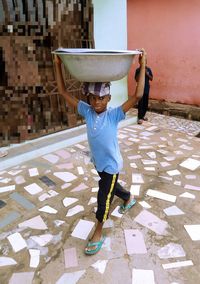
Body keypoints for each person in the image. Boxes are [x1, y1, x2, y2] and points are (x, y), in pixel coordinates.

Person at [54, 49, 146, 255]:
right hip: (99, 163)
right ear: (88, 98)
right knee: (112, 186)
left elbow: (138, 95)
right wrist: (58, 64)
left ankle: (98, 231)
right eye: (93, 98)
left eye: (102, 98)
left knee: (103, 197)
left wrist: (142, 64)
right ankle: (128, 198)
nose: (97, 102)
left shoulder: (114, 115)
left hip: (111, 165)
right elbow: (62, 92)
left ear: (109, 98)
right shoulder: (86, 110)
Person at [135, 57, 153, 124]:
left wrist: (147, 73)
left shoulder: (148, 69)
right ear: (139, 62)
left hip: (146, 88)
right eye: (142, 61)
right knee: (140, 103)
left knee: (145, 103)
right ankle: (139, 117)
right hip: (140, 88)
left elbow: (151, 78)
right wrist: (141, 72)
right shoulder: (137, 70)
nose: (143, 62)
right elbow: (136, 79)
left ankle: (143, 116)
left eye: (145, 61)